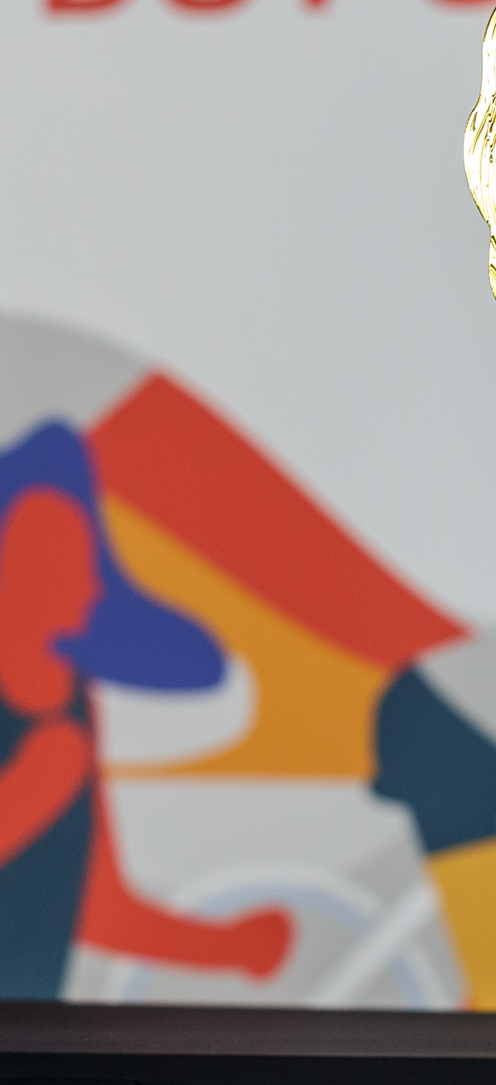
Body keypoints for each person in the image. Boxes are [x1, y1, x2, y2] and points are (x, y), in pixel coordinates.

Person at [0, 421, 290, 995]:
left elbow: (97, 906)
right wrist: (35, 783)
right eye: (53, 555)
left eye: (84, 558)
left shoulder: (74, 708)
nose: (87, 584)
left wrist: (233, 948)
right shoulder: (57, 743)